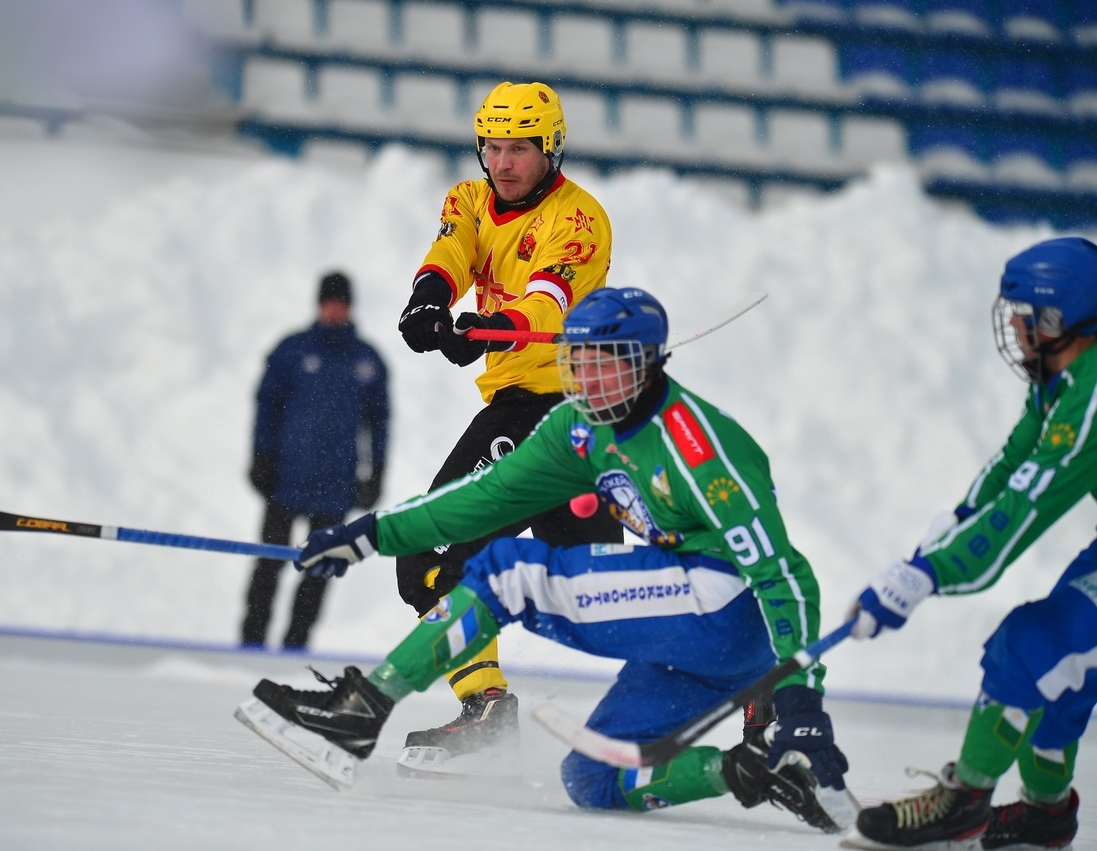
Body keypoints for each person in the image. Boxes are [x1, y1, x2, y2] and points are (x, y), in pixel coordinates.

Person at [237, 287, 856, 832]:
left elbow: (785, 576)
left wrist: (801, 701)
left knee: (509, 574)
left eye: (600, 367)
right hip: (692, 645)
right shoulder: (580, 426)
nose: (584, 382)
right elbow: (486, 497)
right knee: (593, 779)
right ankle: (752, 771)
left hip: (727, 610)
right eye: (575, 365)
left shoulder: (700, 445)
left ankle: (361, 711)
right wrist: (373, 533)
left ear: (643, 365)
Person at [390, 79, 624, 765]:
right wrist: (427, 303)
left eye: (519, 147)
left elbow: (548, 304)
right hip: (523, 410)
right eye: (492, 145)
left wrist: (490, 328)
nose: (503, 162)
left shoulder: (580, 219)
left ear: (550, 149)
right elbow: (452, 252)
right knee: (590, 597)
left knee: (433, 545)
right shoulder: (467, 198)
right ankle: (486, 705)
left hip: (559, 410)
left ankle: (488, 707)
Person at [845, 236, 1097, 850]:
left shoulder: (1091, 395)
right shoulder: (1063, 382)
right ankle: (1045, 812)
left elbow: (1025, 506)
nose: (1014, 329)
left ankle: (964, 805)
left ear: (1060, 318)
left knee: (1031, 645)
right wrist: (951, 525)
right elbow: (1014, 464)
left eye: (1024, 317)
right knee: (1065, 670)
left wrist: (930, 573)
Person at [240, 271, 390, 649]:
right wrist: (261, 455)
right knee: (269, 561)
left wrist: (377, 472)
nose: (334, 309)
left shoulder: (367, 361)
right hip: (287, 479)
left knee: (320, 569)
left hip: (336, 486)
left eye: (341, 303)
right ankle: (250, 641)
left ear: (350, 306)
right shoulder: (292, 350)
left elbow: (380, 421)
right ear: (319, 304)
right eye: (329, 302)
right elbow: (266, 406)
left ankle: (295, 645)